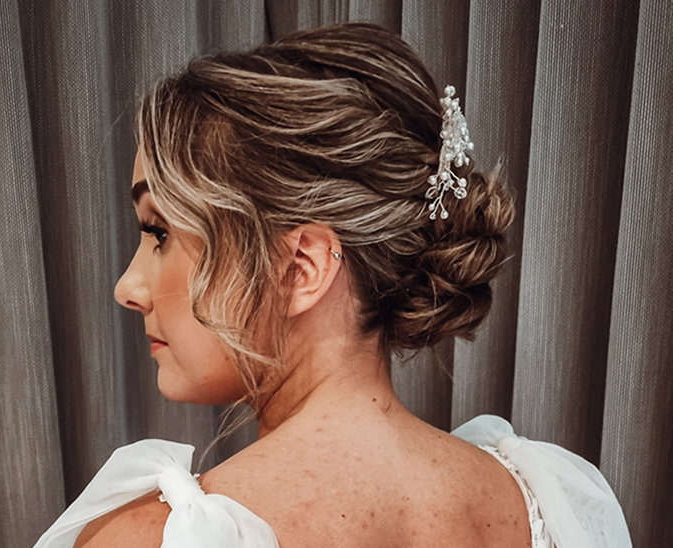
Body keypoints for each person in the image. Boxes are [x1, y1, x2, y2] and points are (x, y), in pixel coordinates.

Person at [35, 23, 631, 548]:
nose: (128, 288)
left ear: (304, 268)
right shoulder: (552, 503)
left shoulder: (155, 539)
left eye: (158, 233)